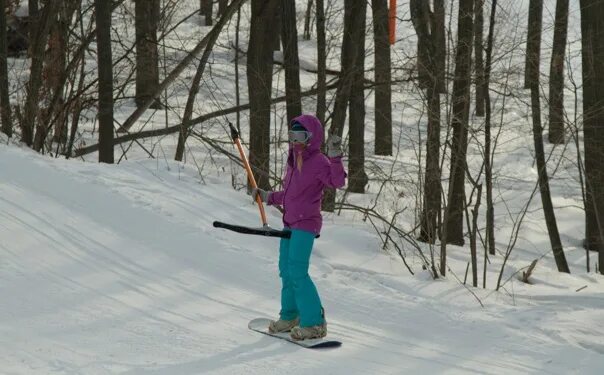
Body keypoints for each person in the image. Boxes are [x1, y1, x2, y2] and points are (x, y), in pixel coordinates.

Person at [252, 114, 347, 340]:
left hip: (306, 223)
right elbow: (291, 195)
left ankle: (314, 322)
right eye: (293, 135)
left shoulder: (319, 161)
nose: (296, 140)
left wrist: (335, 157)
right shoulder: (294, 160)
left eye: (301, 135)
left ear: (311, 138)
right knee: (286, 271)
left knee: (298, 271)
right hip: (290, 221)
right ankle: (290, 316)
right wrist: (269, 196)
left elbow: (338, 182)